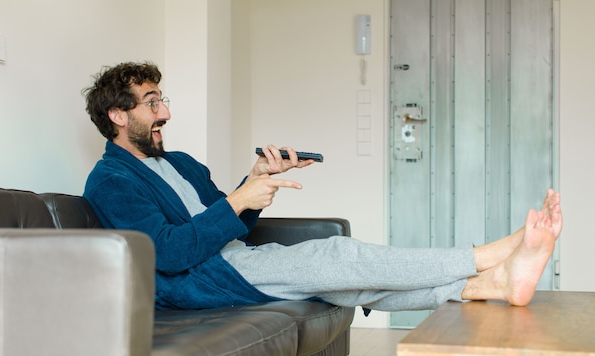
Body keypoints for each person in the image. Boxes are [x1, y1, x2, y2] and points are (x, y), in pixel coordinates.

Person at [83, 61, 562, 312]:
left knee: (346, 287)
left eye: (162, 99)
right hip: (202, 281)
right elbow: (164, 254)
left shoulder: (180, 163)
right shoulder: (110, 181)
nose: (164, 111)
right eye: (151, 103)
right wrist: (235, 202)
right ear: (118, 116)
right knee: (338, 255)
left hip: (235, 259)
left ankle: (487, 286)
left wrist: (254, 185)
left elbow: (228, 225)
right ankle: (486, 257)